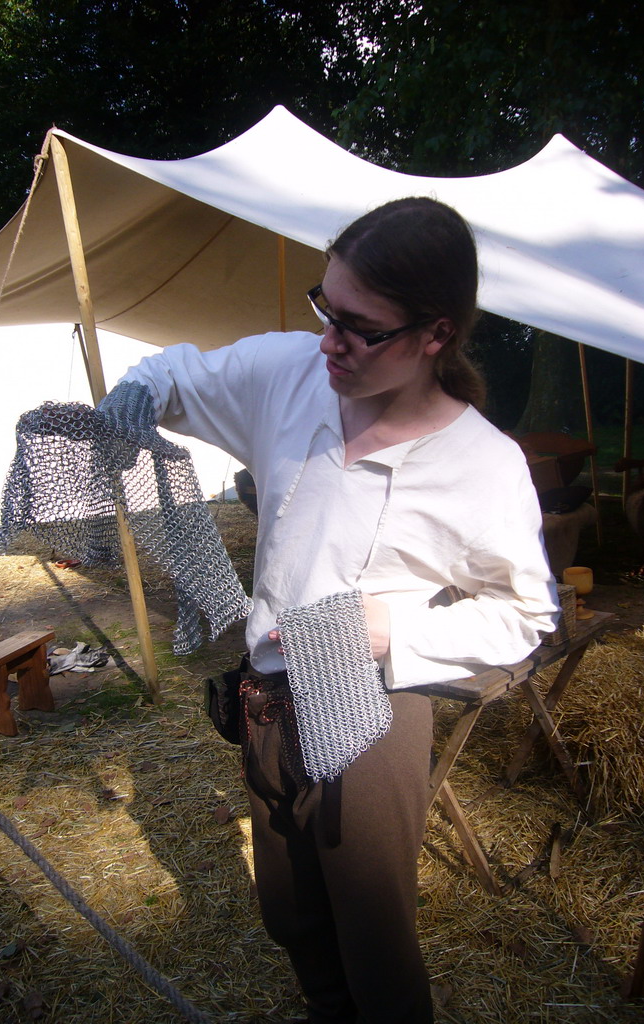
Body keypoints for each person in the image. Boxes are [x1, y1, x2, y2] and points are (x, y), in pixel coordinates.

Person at [101, 197, 559, 1023]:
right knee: (291, 915)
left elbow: (526, 614)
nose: (328, 341)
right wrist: (140, 385)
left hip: (374, 712)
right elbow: (183, 373)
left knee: (374, 941)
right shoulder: (291, 374)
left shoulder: (483, 464)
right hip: (267, 699)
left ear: (436, 335)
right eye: (325, 306)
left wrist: (394, 630)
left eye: (360, 326)